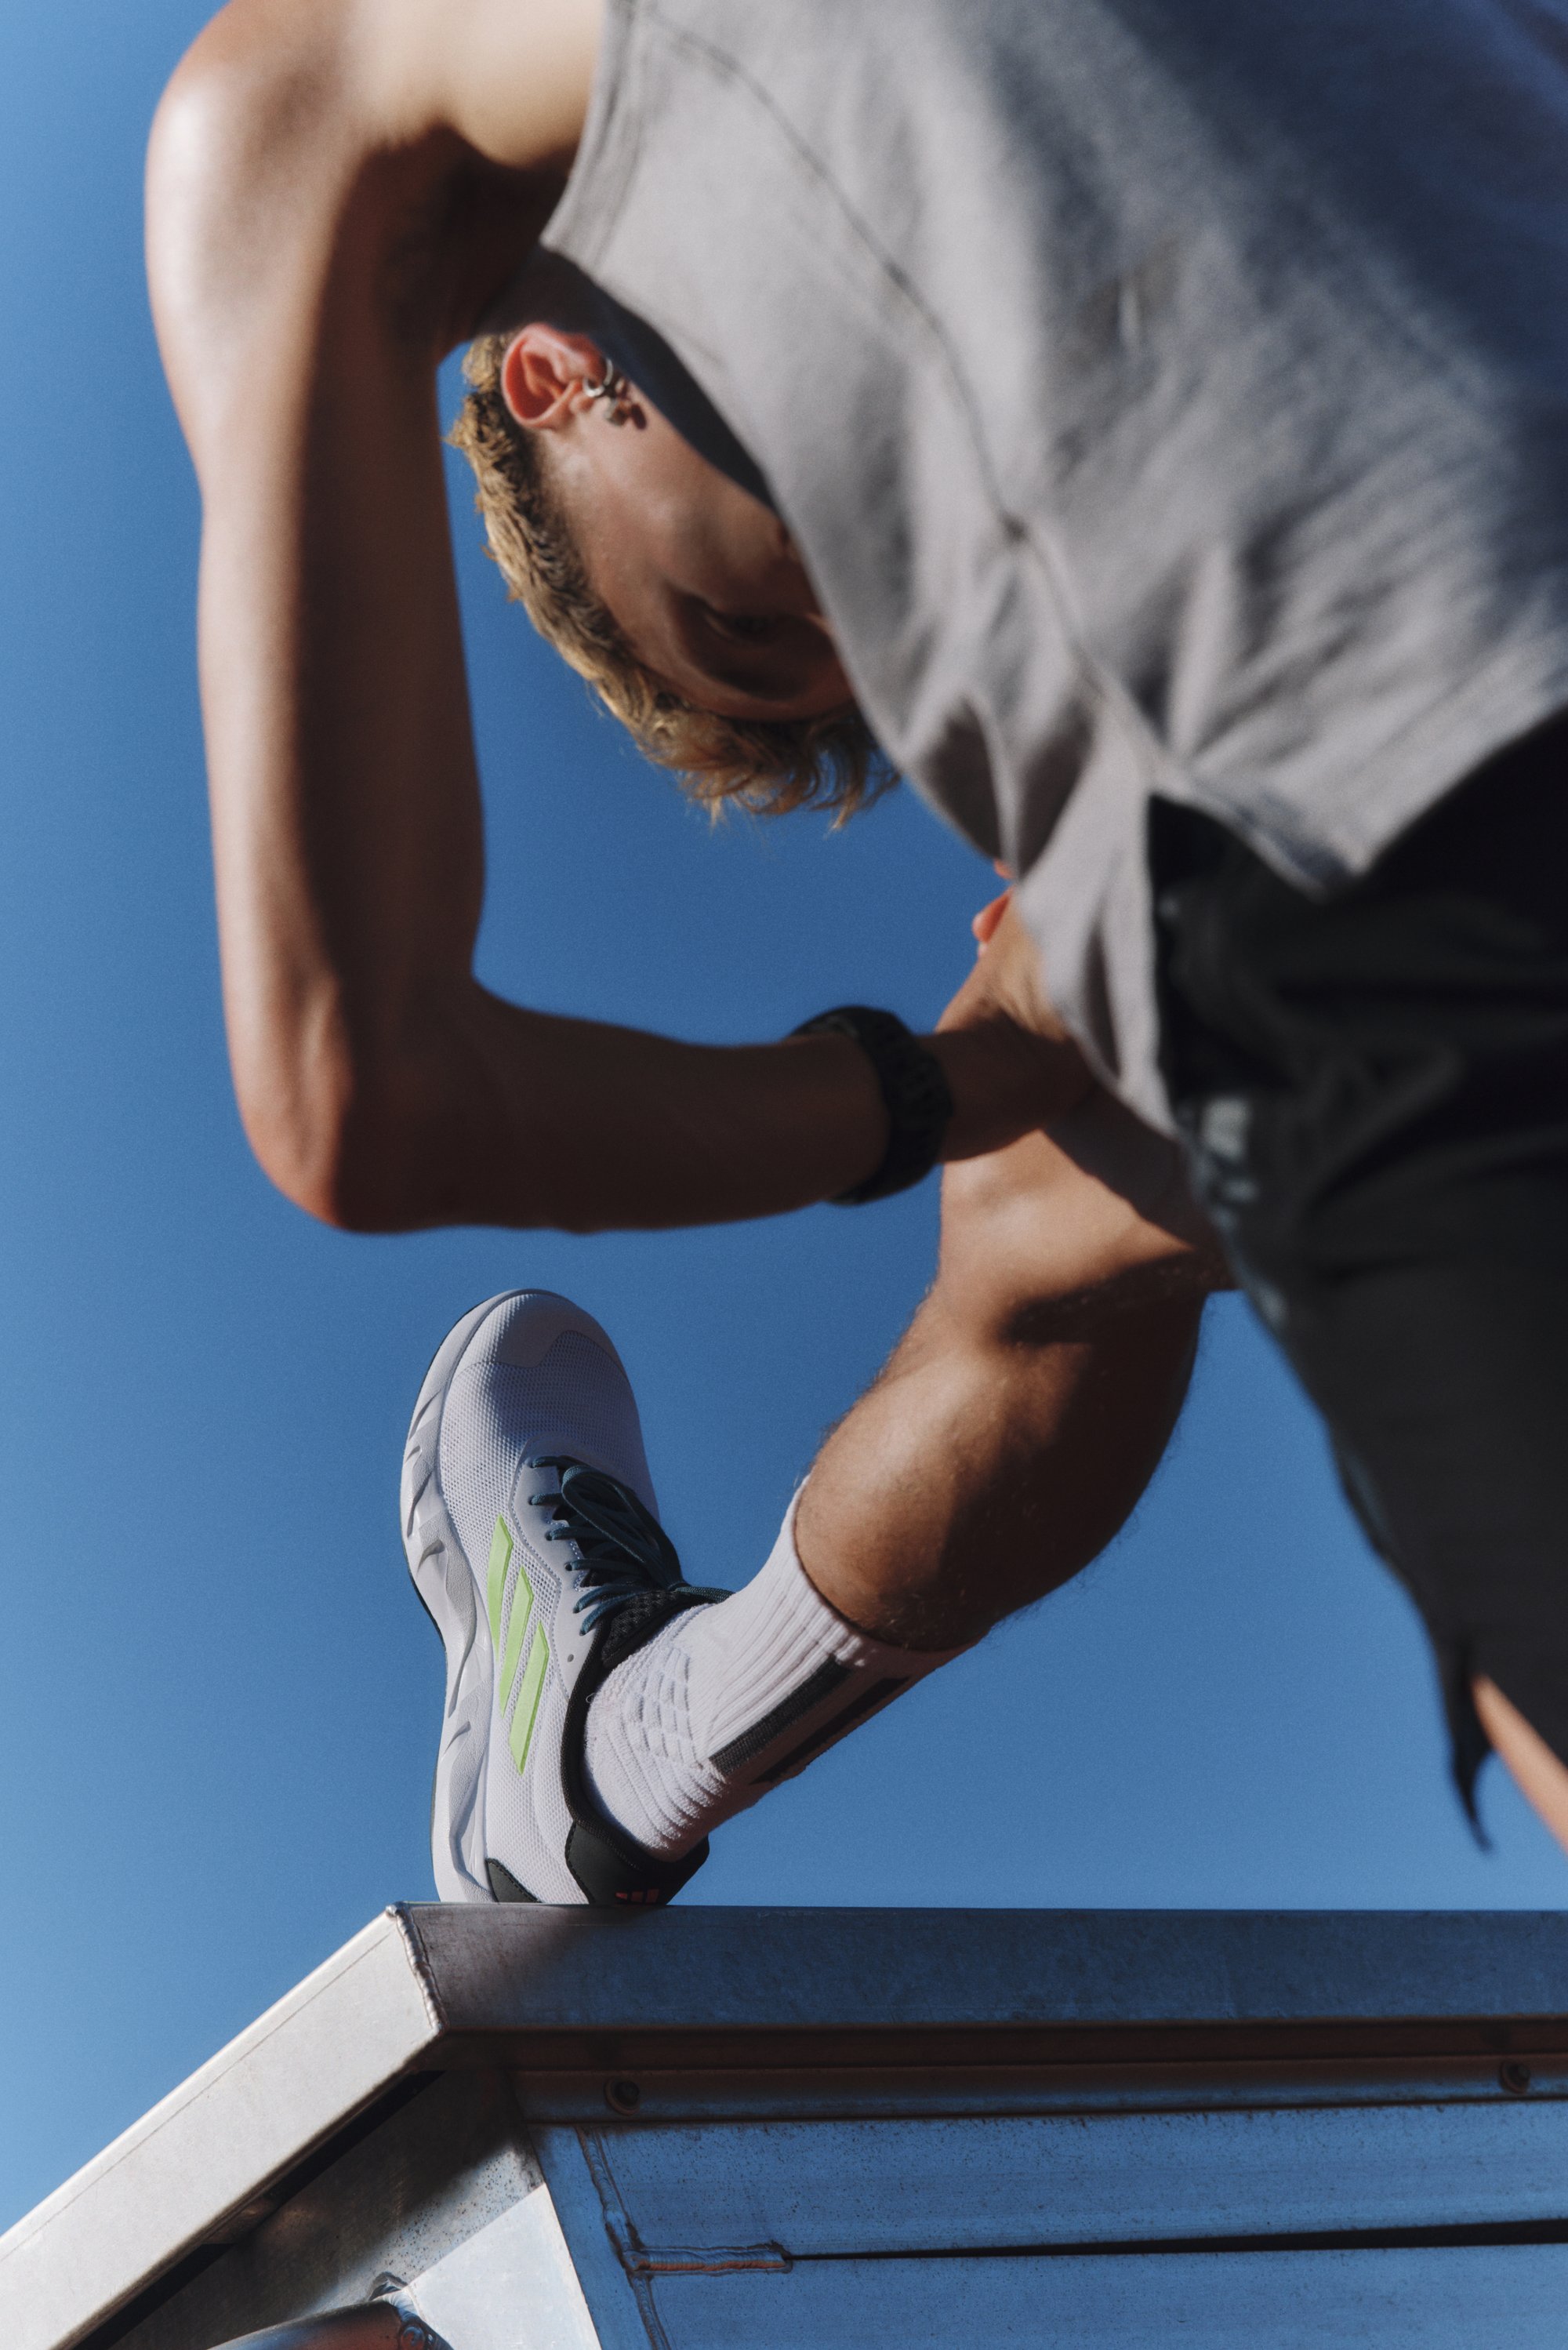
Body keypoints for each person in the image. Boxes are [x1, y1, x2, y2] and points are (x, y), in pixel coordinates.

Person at [147, 0, 1568, 1894]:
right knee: (1052, 1223)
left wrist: (948, 1081)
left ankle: (617, 1743)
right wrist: (976, 1074)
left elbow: (363, 1079)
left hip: (1390, 834)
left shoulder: (389, 68)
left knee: (1049, 1201)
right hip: (1391, 867)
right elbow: (359, 1090)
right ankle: (619, 1740)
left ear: (555, 374)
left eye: (768, 606)